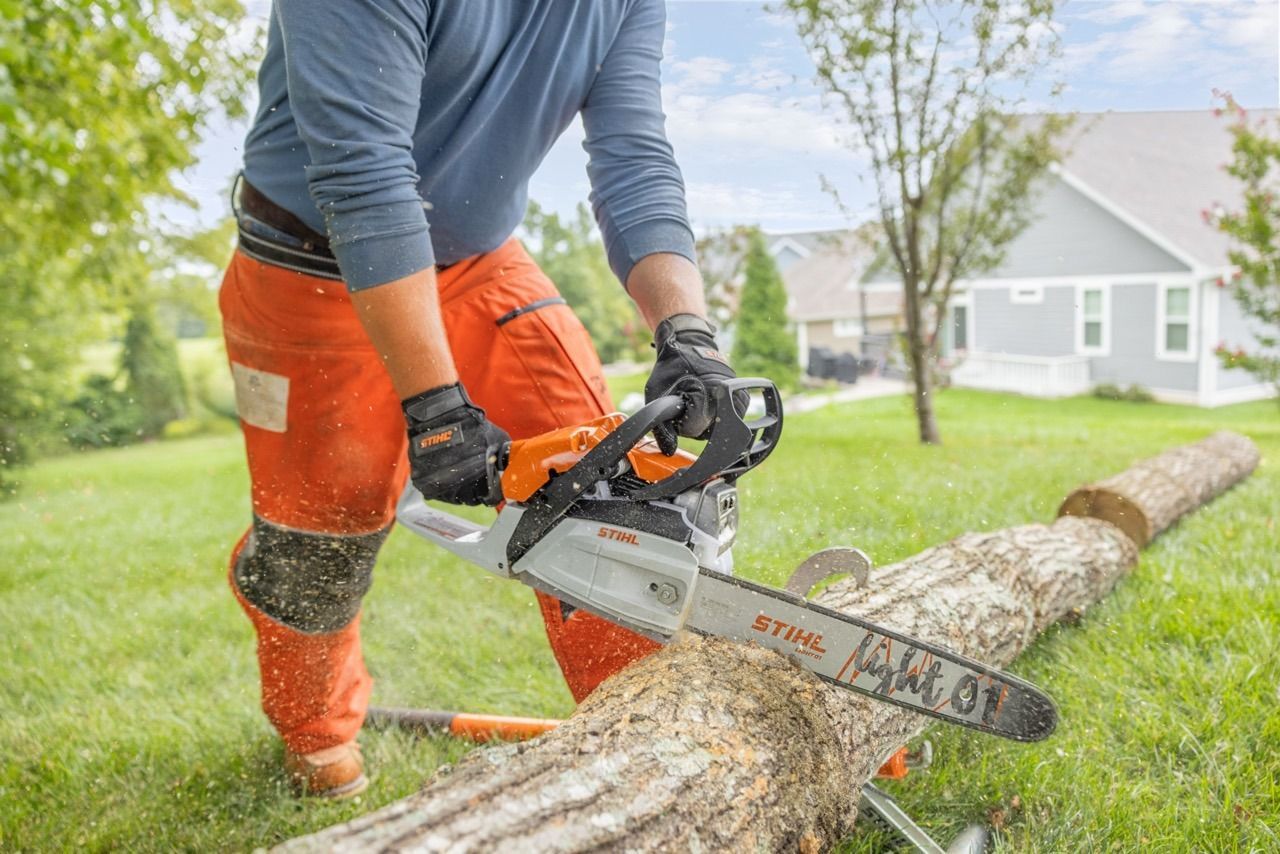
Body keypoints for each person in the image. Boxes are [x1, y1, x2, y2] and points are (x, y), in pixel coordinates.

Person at [220, 0, 739, 798]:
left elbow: (635, 156)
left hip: (477, 260)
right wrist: (436, 409)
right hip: (309, 266)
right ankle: (315, 734)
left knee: (603, 471)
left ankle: (644, 736)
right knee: (319, 540)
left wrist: (687, 332)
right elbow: (362, 171)